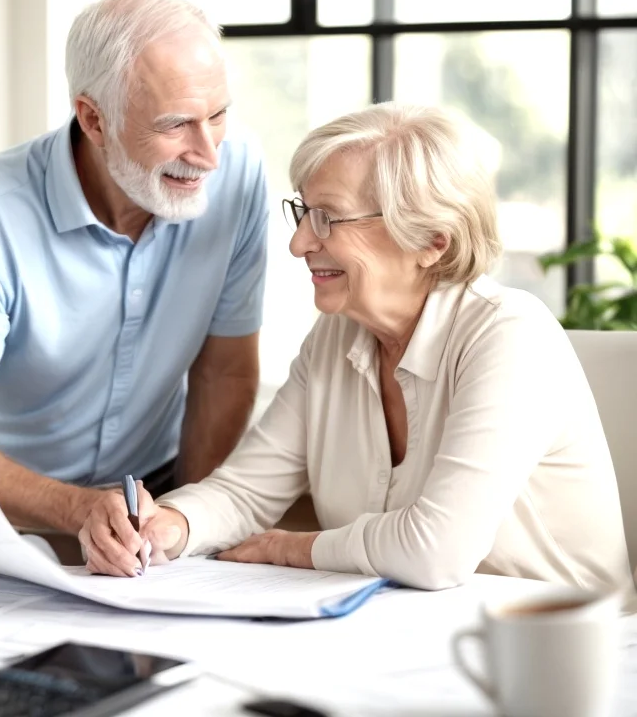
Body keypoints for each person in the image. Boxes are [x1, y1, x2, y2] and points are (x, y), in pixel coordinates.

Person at [98, 102, 632, 593]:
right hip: (403, 634)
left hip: (559, 649)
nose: (299, 243)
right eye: (303, 212)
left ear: (430, 241)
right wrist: (166, 525)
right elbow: (244, 492)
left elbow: (436, 551)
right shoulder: (337, 337)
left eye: (327, 218)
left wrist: (293, 548)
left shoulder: (510, 335)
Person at [0, 0, 268, 566]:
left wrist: (187, 526)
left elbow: (224, 371)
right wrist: (78, 509)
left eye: (218, 115)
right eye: (176, 124)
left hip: (152, 499)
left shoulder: (238, 176)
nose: (209, 155)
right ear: (94, 119)